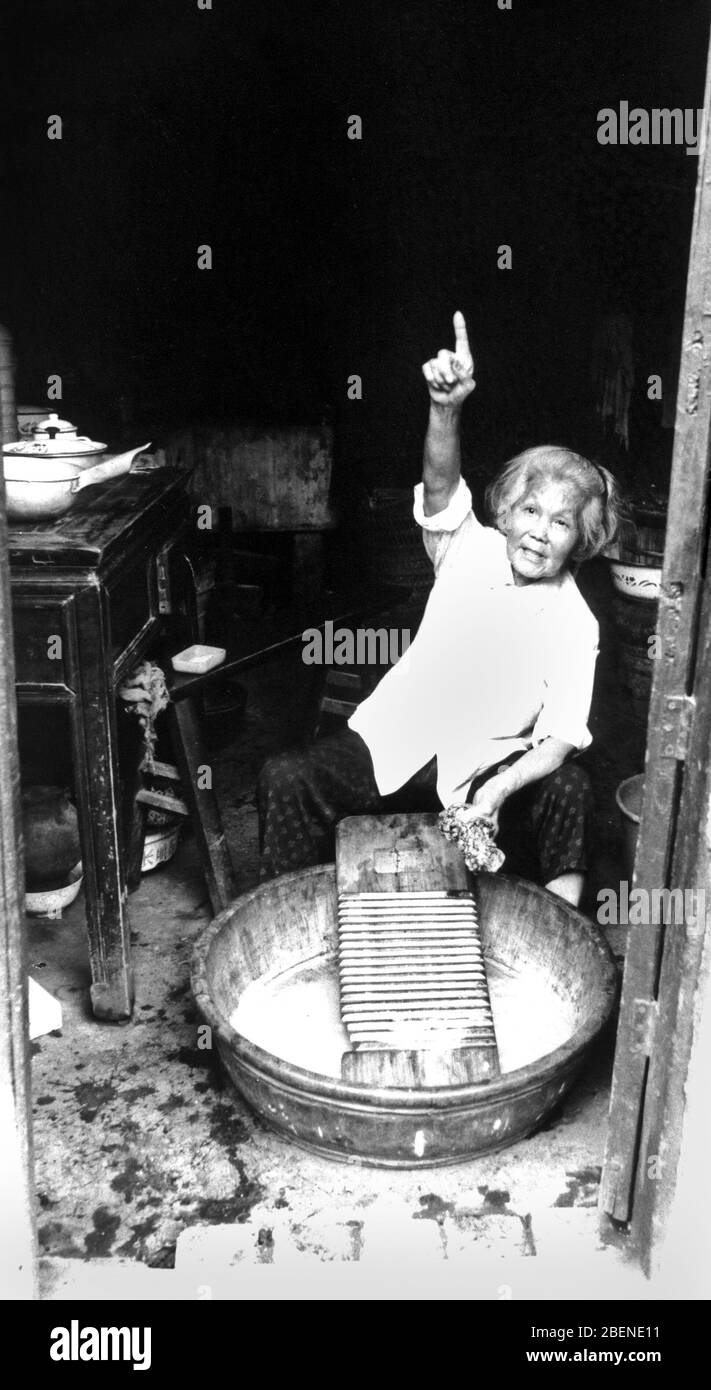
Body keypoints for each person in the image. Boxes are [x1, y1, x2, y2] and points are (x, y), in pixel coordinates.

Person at [258, 312, 624, 905]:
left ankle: (561, 934)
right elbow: (438, 482)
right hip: (391, 746)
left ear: (580, 539)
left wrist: (499, 790)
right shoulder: (467, 547)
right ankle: (292, 929)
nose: (539, 533)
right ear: (505, 510)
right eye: (531, 512)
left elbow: (558, 739)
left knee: (573, 789)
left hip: (481, 771)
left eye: (561, 522)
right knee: (286, 777)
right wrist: (445, 407)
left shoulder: (575, 622)